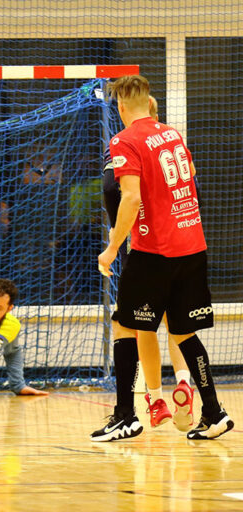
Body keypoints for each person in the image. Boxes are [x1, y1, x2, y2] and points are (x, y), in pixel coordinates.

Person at [94, 75, 233, 441]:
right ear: (149, 102)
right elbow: (190, 177)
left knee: (125, 325)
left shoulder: (124, 140)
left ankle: (126, 416)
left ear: (121, 106)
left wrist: (112, 247)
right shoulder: (172, 134)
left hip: (154, 250)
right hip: (192, 245)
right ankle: (214, 412)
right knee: (184, 332)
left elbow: (130, 198)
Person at [101, 95, 196, 433]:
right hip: (179, 242)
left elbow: (120, 195)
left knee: (141, 326)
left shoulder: (124, 146)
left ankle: (155, 400)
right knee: (178, 324)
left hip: (142, 245)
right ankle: (184, 382)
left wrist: (113, 243)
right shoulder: (171, 141)